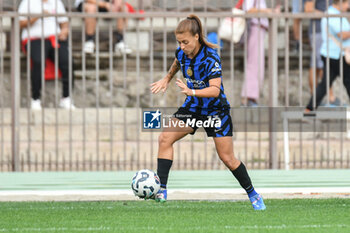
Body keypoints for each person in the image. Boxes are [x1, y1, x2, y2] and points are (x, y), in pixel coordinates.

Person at [150, 14, 266, 210]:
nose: (182, 46)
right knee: (164, 139)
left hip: (215, 110)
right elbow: (177, 63)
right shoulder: (182, 53)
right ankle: (162, 189)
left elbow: (214, 89)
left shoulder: (211, 57)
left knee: (228, 159)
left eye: (185, 42)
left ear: (196, 37)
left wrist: (192, 91)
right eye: (179, 42)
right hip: (193, 108)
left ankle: (253, 194)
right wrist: (166, 79)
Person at [18, 0, 75, 110]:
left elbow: (64, 22)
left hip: (54, 38)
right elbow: (20, 23)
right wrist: (38, 16)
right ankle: (35, 99)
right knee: (38, 61)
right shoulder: (27, 2)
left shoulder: (56, 2)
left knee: (68, 62)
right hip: (33, 39)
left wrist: (64, 30)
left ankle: (66, 98)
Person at [306, 0, 350, 111]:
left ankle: (309, 110)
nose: (348, 6)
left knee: (325, 85)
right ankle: (309, 110)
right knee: (347, 81)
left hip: (335, 55)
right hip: (336, 55)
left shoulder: (337, 14)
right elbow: (342, 34)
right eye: (346, 3)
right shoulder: (332, 14)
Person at [240, 0, 280, 106]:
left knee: (257, 63)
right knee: (254, 63)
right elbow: (248, 9)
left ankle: (251, 97)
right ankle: (248, 97)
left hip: (258, 28)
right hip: (254, 27)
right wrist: (268, 11)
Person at [304, 0, 339, 106]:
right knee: (319, 65)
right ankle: (324, 98)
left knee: (320, 64)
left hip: (326, 31)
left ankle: (326, 98)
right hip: (318, 31)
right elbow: (308, 9)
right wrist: (327, 16)